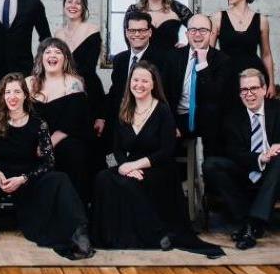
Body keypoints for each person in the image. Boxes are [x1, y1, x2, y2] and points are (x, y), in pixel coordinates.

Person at [0, 73, 94, 260]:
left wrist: (24, 178)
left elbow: (49, 161)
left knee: (59, 178)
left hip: (26, 180)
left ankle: (79, 232)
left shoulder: (39, 123)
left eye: (17, 91)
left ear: (25, 95)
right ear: (2, 95)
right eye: (8, 92)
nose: (12, 97)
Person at [91, 61, 223, 258]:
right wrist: (122, 167)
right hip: (129, 165)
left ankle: (155, 234)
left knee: (130, 183)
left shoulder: (162, 110)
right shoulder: (124, 109)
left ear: (153, 84)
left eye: (145, 80)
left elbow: (166, 150)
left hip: (158, 166)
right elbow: (115, 148)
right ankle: (115, 235)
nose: (139, 85)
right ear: (130, 83)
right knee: (103, 177)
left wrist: (135, 165)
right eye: (135, 80)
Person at [202, 69, 280, 250]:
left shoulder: (277, 109)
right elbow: (234, 153)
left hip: (275, 177)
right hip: (247, 174)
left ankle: (249, 225)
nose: (249, 94)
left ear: (263, 89)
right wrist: (260, 157)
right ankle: (252, 223)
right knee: (211, 165)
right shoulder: (232, 117)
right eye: (244, 90)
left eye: (253, 88)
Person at [26, 38, 100, 203]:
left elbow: (73, 122)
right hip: (36, 138)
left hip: (65, 137)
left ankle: (76, 213)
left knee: (74, 151)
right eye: (48, 51)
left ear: (65, 59)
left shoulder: (73, 83)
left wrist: (48, 144)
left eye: (58, 52)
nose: (53, 55)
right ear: (40, 58)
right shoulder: (29, 83)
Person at [163, 14, 230, 157]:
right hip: (179, 117)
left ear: (211, 34)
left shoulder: (222, 60)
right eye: (193, 30)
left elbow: (214, 95)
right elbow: (164, 94)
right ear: (186, 34)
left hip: (209, 121)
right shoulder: (172, 57)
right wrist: (170, 123)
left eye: (203, 30)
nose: (197, 34)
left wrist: (203, 64)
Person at [210, 0, 276, 101]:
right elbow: (209, 53)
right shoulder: (217, 18)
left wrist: (272, 84)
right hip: (226, 77)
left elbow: (266, 54)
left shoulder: (262, 20)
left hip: (255, 77)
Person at [104, 11, 165, 150]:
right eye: (132, 30)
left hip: (148, 119)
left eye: (142, 30)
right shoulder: (120, 59)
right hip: (120, 117)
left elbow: (165, 94)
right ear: (126, 33)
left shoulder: (162, 59)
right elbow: (115, 93)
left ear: (150, 32)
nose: (137, 34)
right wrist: (102, 117)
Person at [55, 0, 107, 140]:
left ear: (83, 7)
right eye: (69, 1)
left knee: (85, 138)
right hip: (62, 92)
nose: (73, 5)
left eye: (78, 2)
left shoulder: (92, 30)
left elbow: (88, 68)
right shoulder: (58, 34)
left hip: (88, 90)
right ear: (64, 5)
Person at [123, 0, 193, 52]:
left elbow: (198, 28)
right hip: (142, 62)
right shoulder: (134, 9)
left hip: (172, 61)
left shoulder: (178, 8)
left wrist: (188, 47)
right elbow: (128, 39)